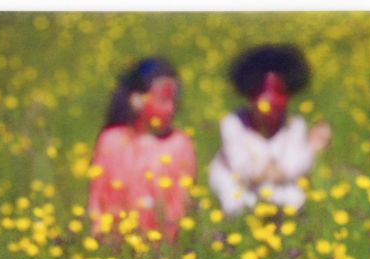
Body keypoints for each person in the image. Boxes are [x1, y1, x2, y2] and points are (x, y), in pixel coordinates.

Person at [208, 45, 331, 216]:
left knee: (295, 197)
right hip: (238, 184)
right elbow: (241, 168)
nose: (269, 107)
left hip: (275, 186)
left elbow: (296, 165)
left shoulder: (294, 126)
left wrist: (311, 148)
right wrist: (269, 172)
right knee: (236, 201)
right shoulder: (233, 124)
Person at [88, 58, 196, 242]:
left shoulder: (180, 144)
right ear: (136, 99)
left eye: (173, 100)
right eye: (162, 99)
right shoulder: (111, 141)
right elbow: (97, 199)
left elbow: (181, 204)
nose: (170, 108)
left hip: (161, 245)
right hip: (114, 244)